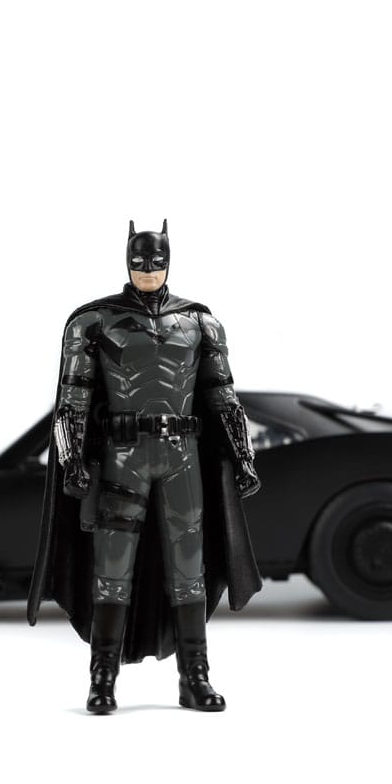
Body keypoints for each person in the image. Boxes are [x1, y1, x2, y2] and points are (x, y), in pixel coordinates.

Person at [27, 220, 262, 713]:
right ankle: (102, 679)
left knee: (189, 567)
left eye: (157, 261)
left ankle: (195, 677)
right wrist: (71, 459)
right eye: (139, 261)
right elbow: (72, 400)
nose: (148, 269)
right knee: (112, 567)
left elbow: (223, 397)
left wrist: (242, 456)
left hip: (183, 457)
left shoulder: (200, 323)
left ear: (170, 260)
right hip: (123, 458)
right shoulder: (94, 322)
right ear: (127, 260)